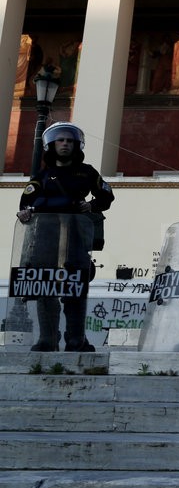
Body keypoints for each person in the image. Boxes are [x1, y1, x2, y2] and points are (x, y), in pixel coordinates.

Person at [17, 121, 114, 352]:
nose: (65, 144)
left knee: (75, 288)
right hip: (45, 238)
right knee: (45, 289)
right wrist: (25, 213)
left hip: (76, 237)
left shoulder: (87, 172)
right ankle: (47, 339)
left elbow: (106, 195)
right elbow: (26, 202)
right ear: (52, 144)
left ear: (76, 145)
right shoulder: (42, 176)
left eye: (69, 140)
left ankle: (76, 339)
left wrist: (91, 205)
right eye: (60, 140)